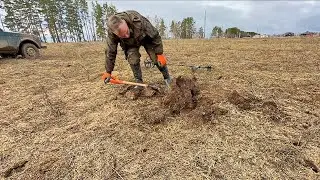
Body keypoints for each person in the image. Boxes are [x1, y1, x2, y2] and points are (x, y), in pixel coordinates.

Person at [102, 10, 172, 90]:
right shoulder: (112, 33)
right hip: (130, 44)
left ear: (124, 22)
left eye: (126, 32)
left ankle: (167, 78)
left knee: (156, 59)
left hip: (146, 38)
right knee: (133, 59)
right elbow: (110, 51)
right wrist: (108, 72)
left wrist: (160, 54)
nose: (126, 35)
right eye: (123, 36)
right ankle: (139, 82)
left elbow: (155, 35)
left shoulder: (138, 20)